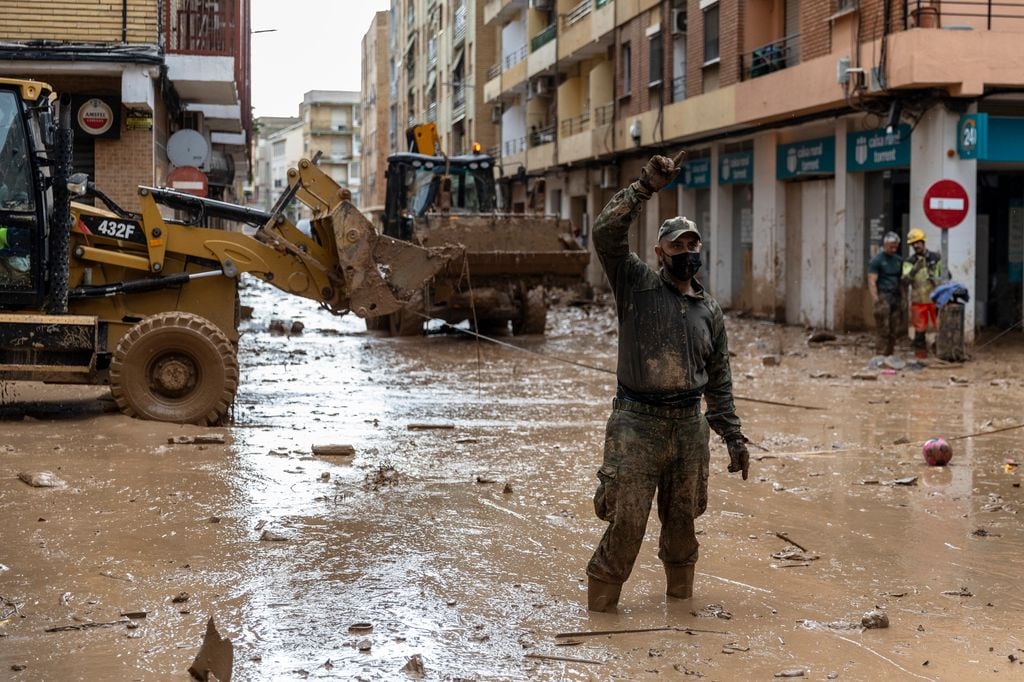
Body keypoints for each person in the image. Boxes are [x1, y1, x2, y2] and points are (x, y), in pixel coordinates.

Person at [586, 153, 750, 612]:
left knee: (683, 524)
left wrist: (733, 436)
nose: (687, 254)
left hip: (689, 427)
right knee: (626, 522)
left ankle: (681, 611)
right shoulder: (635, 284)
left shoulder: (709, 310)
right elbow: (606, 234)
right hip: (636, 423)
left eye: (693, 246)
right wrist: (643, 187)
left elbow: (719, 379)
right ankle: (601, 614)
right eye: (677, 248)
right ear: (661, 254)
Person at [901, 228, 942, 357]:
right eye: (913, 243)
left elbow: (947, 276)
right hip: (918, 300)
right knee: (919, 329)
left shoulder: (936, 258)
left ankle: (939, 352)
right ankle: (921, 356)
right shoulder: (909, 261)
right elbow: (904, 281)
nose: (915, 245)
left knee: (939, 327)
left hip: (935, 299)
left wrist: (935, 279)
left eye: (918, 242)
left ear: (923, 242)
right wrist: (914, 270)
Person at [867, 231, 904, 356]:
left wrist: (903, 299)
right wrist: (876, 300)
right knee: (883, 328)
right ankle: (880, 355)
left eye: (896, 246)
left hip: (896, 296)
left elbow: (901, 281)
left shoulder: (899, 260)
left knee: (894, 328)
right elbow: (872, 281)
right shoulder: (876, 260)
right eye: (891, 246)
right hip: (884, 296)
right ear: (885, 245)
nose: (893, 249)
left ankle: (890, 354)